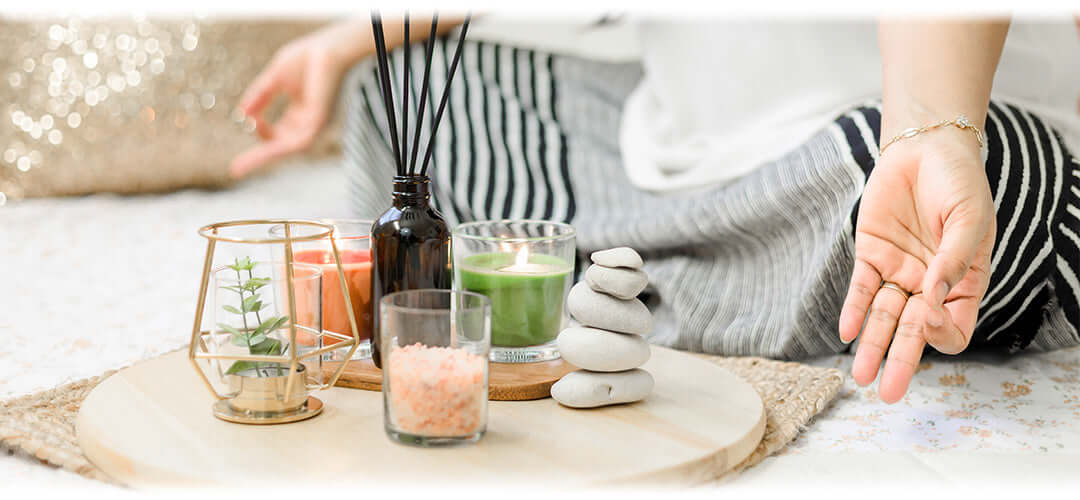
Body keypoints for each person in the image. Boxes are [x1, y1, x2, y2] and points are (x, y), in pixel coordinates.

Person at [232, 14, 1080, 403]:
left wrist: (930, 129)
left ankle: (651, 280)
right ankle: (691, 277)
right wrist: (347, 39)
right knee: (398, 89)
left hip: (896, 134)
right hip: (664, 137)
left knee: (994, 192)